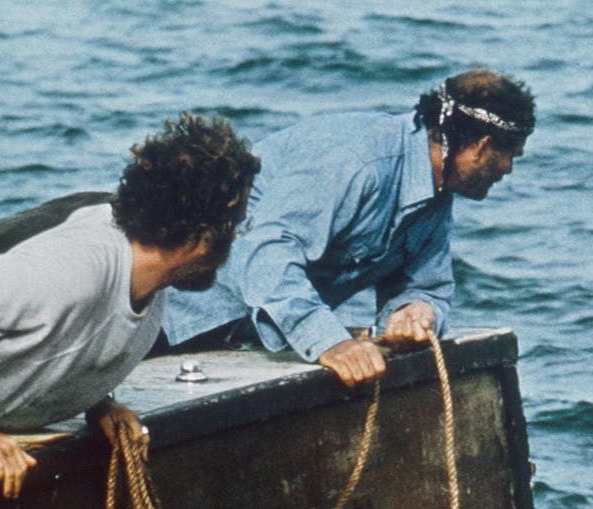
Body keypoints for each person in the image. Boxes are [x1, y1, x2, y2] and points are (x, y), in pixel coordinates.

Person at [0, 113, 260, 498]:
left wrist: (97, 401)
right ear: (202, 240)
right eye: (234, 227)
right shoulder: (75, 268)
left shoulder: (146, 278)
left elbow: (74, 333)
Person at [159, 68, 536, 388]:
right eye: (510, 156)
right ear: (482, 145)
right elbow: (265, 248)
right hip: (171, 314)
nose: (508, 170)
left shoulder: (436, 197)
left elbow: (427, 287)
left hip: (241, 342)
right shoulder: (359, 160)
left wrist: (413, 311)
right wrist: (328, 341)